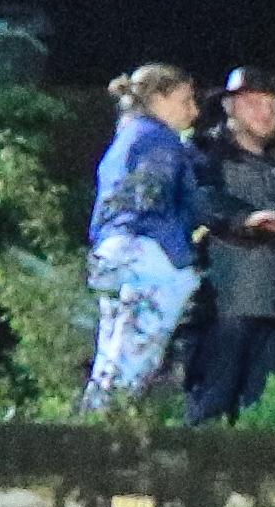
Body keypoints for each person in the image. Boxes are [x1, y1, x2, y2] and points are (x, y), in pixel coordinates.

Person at [179, 71, 275, 423]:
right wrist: (242, 219)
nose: (266, 113)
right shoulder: (205, 154)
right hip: (229, 304)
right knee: (212, 406)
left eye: (273, 107)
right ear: (229, 106)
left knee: (268, 415)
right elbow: (199, 201)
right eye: (255, 103)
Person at [78, 66, 207, 413]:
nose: (193, 111)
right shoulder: (161, 142)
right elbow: (161, 196)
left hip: (110, 249)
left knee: (111, 353)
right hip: (151, 252)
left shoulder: (124, 141)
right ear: (157, 99)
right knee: (137, 354)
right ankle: (111, 433)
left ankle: (93, 424)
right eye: (185, 101)